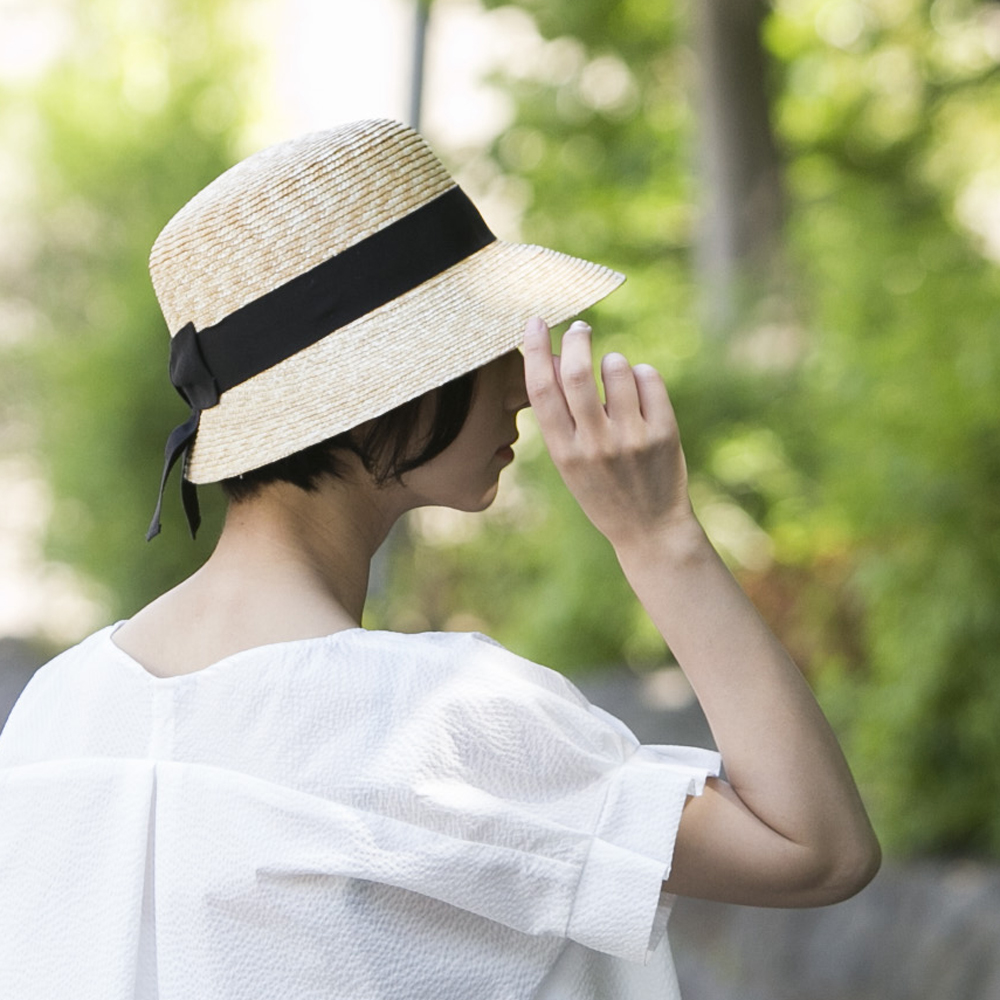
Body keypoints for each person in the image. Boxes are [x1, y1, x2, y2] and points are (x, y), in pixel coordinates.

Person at [0, 119, 879, 1000]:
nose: (516, 388)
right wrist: (659, 540)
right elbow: (818, 849)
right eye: (476, 342)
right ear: (375, 390)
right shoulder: (439, 721)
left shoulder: (53, 716)